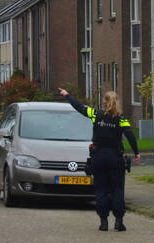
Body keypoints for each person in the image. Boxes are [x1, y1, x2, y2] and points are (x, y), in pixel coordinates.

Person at [59, 88, 141, 231]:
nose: (102, 101)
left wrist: (67, 95)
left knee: (101, 190)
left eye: (104, 99)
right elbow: (130, 135)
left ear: (106, 102)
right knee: (117, 189)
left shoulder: (96, 115)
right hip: (115, 157)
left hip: (98, 156)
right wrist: (136, 153)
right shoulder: (121, 119)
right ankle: (118, 221)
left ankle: (103, 222)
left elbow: (79, 107)